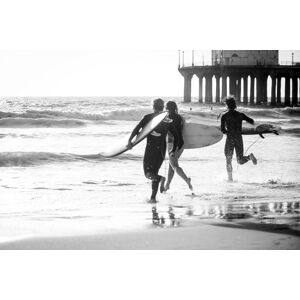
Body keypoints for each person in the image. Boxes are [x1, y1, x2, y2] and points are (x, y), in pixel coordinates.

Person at [127, 98, 181, 203]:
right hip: (161, 150)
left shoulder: (148, 117)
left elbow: (136, 129)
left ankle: (161, 180)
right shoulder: (167, 120)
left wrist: (130, 141)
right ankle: (153, 198)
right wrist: (173, 150)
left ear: (153, 106)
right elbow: (177, 137)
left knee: (148, 173)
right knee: (154, 174)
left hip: (151, 149)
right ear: (162, 107)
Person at [220, 96, 257, 182]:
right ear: (235, 105)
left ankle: (230, 179)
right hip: (238, 139)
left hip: (230, 139)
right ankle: (249, 157)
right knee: (240, 160)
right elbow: (251, 121)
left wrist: (227, 131)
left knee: (228, 160)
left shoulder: (224, 116)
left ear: (227, 105)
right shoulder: (241, 115)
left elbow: (222, 130)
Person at [164, 101, 193, 192]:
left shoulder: (167, 118)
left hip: (172, 143)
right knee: (172, 164)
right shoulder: (180, 118)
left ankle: (186, 179)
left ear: (167, 108)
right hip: (181, 144)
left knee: (175, 165)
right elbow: (184, 130)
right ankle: (167, 185)